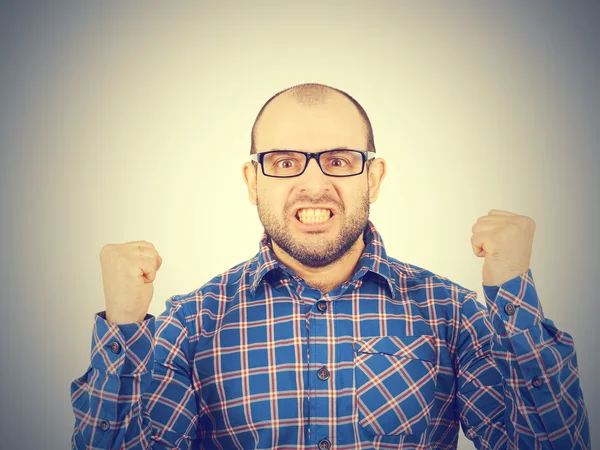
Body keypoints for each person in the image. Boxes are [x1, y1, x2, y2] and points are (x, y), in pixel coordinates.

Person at [71, 83, 590, 449]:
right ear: (254, 182)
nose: (314, 184)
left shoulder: (450, 314)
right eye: (284, 161)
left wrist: (513, 296)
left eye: (339, 160)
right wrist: (124, 328)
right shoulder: (190, 324)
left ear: (375, 177)